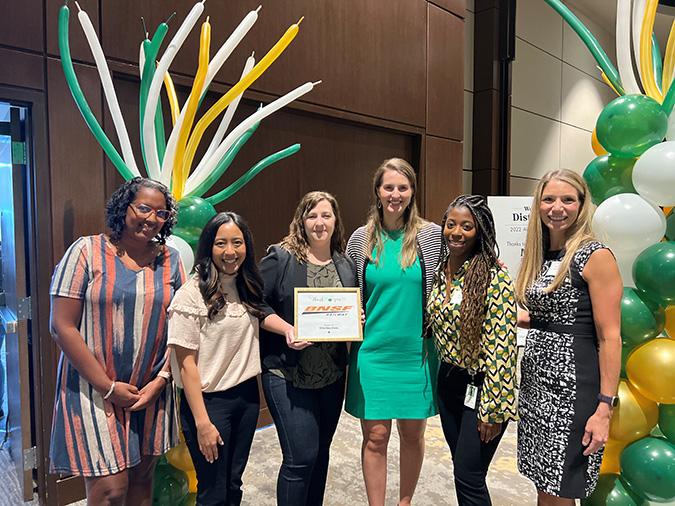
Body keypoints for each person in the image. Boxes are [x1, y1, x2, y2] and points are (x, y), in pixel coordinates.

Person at [49, 177, 184, 505]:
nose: (151, 218)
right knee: (111, 489)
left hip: (150, 390)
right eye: (143, 208)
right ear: (124, 208)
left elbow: (182, 328)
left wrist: (161, 381)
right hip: (93, 389)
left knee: (142, 478)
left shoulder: (172, 259)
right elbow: (61, 325)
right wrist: (108, 387)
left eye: (161, 213)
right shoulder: (86, 251)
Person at [515, 169, 622, 505]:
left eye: (567, 199)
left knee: (561, 489)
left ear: (581, 204)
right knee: (545, 486)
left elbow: (610, 337)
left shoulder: (594, 256)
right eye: (548, 199)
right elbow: (549, 317)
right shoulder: (542, 254)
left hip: (573, 389)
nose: (556, 207)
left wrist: (604, 408)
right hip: (536, 386)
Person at [345, 157, 442, 506]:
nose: (395, 194)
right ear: (377, 191)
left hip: (417, 352)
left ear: (413, 191)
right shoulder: (361, 239)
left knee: (413, 434)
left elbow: (456, 271)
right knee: (376, 436)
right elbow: (347, 291)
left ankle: (404, 503)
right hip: (372, 352)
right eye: (389, 187)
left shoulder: (430, 236)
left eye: (403, 187)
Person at [258, 191, 357, 506]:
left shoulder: (345, 263)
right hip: (287, 371)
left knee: (320, 454)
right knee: (300, 457)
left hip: (330, 375)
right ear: (301, 220)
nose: (319, 223)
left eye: (326, 215)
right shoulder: (281, 257)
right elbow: (255, 302)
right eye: (312, 215)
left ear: (335, 220)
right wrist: (287, 328)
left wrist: (356, 316)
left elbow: (350, 306)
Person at [168, 212, 266, 506]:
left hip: (247, 397)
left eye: (237, 242)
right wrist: (202, 423)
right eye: (221, 243)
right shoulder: (190, 295)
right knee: (212, 491)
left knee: (234, 484)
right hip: (209, 404)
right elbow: (186, 366)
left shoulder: (246, 285)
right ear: (208, 247)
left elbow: (266, 316)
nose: (230, 252)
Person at [426, 195, 518, 505]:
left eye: (467, 226)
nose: (456, 232)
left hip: (484, 389)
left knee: (468, 476)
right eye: (451, 224)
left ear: (481, 231)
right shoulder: (441, 273)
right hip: (449, 383)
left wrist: (492, 409)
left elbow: (503, 348)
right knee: (465, 471)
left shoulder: (495, 278)